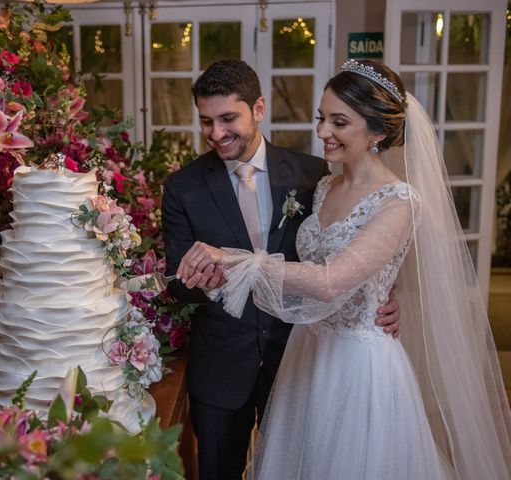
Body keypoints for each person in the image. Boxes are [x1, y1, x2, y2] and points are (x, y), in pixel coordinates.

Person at [177, 59, 511, 479]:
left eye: (339, 122)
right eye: (322, 119)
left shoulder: (396, 201)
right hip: (304, 354)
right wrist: (377, 287)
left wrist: (236, 260)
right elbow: (324, 261)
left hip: (357, 365)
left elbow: (335, 279)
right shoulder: (323, 185)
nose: (322, 132)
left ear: (377, 131)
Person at [162, 59, 402, 480]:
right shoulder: (183, 187)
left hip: (301, 359)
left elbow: (349, 251)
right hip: (222, 367)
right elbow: (179, 284)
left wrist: (383, 294)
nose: (217, 134)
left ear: (258, 108)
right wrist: (206, 284)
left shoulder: (314, 175)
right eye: (206, 122)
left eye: (228, 118)